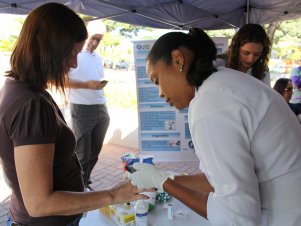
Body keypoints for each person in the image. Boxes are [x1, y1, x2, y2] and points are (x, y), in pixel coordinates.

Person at [127, 28, 301, 226]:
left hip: (287, 214)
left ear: (177, 60)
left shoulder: (210, 103)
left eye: (157, 80)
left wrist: (164, 184)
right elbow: (213, 181)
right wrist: (164, 178)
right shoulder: (222, 83)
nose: (160, 92)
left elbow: (237, 216)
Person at [0, 3, 148, 226]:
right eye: (70, 54)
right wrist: (112, 195)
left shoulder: (18, 88)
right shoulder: (31, 106)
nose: (74, 63)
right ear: (47, 48)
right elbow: (39, 203)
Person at [67, 20, 110, 189]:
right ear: (85, 36)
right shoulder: (73, 54)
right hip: (81, 108)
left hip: (101, 106)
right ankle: (78, 188)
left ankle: (85, 181)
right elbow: (59, 81)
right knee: (82, 154)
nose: (95, 43)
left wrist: (97, 85)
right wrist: (86, 85)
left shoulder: (97, 57)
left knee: (94, 153)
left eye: (99, 39)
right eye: (93, 38)